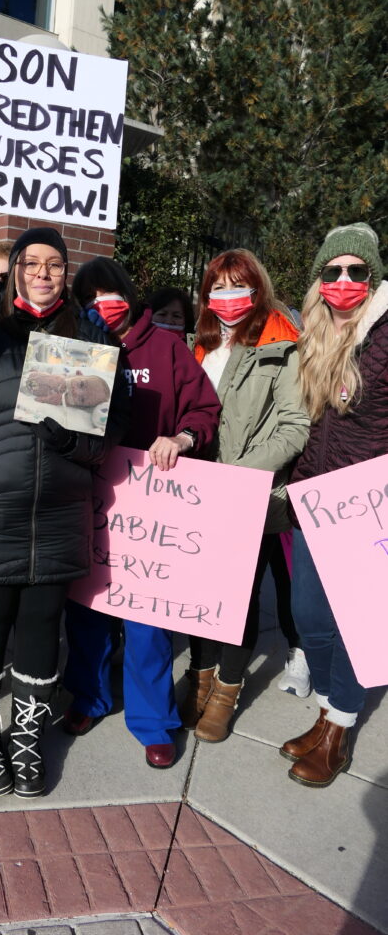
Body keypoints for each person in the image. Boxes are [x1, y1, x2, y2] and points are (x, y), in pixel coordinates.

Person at [0, 228, 130, 799]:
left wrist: (70, 436)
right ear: (14, 269)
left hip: (58, 517)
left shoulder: (91, 338)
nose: (43, 273)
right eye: (31, 263)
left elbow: (104, 441)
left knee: (42, 631)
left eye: (55, 265)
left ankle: (27, 737)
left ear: (68, 273)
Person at [62, 257, 221, 768]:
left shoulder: (167, 347)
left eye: (110, 293)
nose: (101, 305)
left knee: (149, 626)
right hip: (93, 498)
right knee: (86, 612)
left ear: (130, 294)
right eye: (90, 298)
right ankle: (88, 698)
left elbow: (205, 410)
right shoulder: (75, 346)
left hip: (153, 511)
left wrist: (182, 437)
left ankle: (154, 722)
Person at [182, 249, 310, 743]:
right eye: (218, 286)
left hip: (248, 495)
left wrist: (238, 475)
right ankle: (201, 675)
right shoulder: (200, 343)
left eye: (239, 285)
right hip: (195, 495)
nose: (227, 296)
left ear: (257, 289)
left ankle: (226, 691)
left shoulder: (283, 345)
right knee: (197, 596)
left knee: (236, 600)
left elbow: (294, 426)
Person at [281, 223, 388, 787]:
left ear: (372, 278)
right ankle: (327, 710)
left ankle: (338, 730)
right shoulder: (316, 336)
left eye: (357, 271)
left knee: (354, 625)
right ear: (320, 280)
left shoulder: (386, 333)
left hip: (370, 508)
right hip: (318, 501)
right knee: (310, 617)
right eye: (333, 271)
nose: (344, 281)